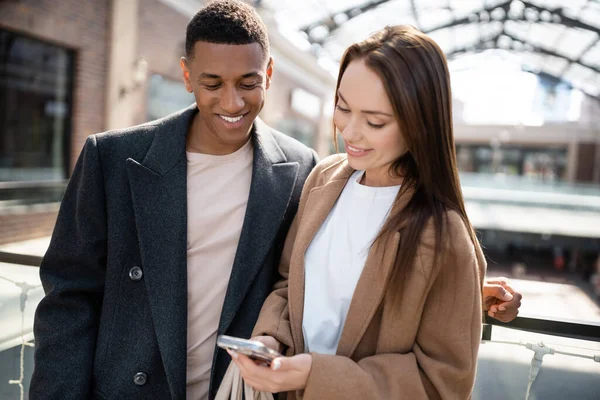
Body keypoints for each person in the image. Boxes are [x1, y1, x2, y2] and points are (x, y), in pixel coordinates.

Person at [30, 2, 318, 399]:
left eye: (248, 83)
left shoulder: (301, 168)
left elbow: (293, 287)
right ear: (186, 75)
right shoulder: (112, 158)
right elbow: (69, 297)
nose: (232, 103)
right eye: (212, 83)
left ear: (268, 75)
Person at [231, 25, 488, 399]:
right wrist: (271, 340)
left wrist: (315, 376)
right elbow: (289, 283)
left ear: (420, 123)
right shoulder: (325, 179)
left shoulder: (443, 234)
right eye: (343, 108)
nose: (350, 132)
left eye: (375, 121)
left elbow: (443, 381)